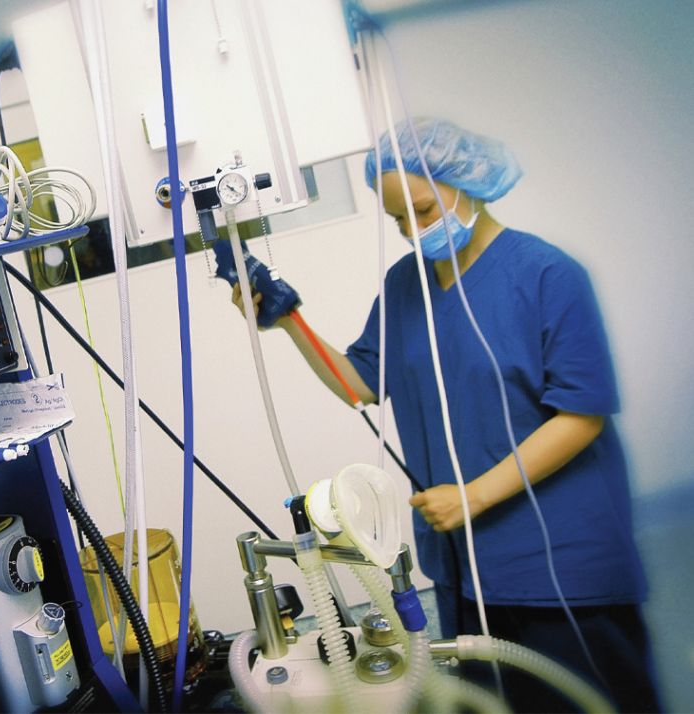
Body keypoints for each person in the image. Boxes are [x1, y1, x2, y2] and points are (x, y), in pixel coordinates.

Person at [233, 118, 659, 712]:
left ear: (470, 182)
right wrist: (288, 320)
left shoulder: (547, 275)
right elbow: (359, 385)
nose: (412, 231)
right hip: (464, 568)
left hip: (561, 563)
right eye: (398, 220)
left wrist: (474, 496)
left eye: (424, 211)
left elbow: (581, 415)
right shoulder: (405, 285)